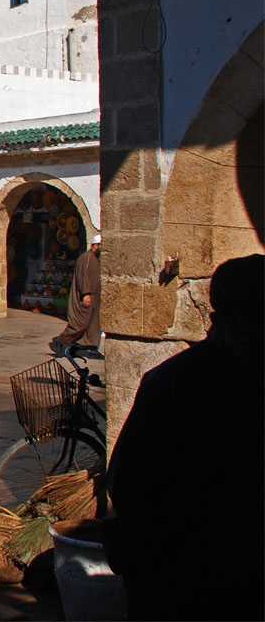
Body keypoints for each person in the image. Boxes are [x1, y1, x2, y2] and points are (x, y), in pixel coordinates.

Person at [103, 254, 263, 621]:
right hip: (182, 575)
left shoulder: (175, 381)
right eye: (251, 321)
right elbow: (131, 484)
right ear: (222, 321)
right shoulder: (177, 385)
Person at [50, 234, 101, 355]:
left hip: (96, 297)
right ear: (96, 245)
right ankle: (61, 340)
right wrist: (86, 294)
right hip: (87, 296)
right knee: (80, 323)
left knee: (94, 325)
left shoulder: (96, 259)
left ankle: (91, 348)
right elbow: (83, 277)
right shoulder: (86, 257)